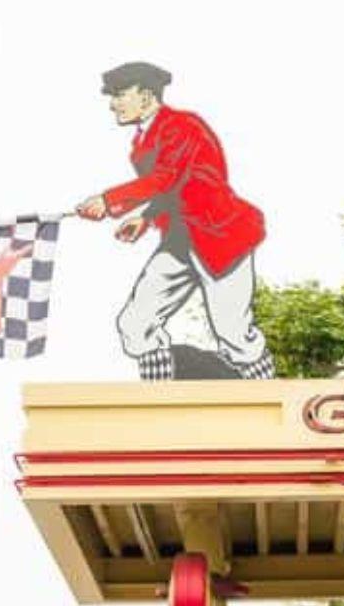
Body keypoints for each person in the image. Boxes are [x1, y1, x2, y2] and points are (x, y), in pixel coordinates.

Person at [73, 62, 274, 381]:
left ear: (147, 95)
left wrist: (108, 201)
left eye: (120, 94)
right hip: (182, 240)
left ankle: (270, 401)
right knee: (136, 324)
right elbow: (178, 185)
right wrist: (146, 217)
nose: (113, 103)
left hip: (221, 238)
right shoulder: (146, 137)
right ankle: (158, 402)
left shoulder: (181, 125)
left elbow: (166, 177)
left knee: (234, 333)